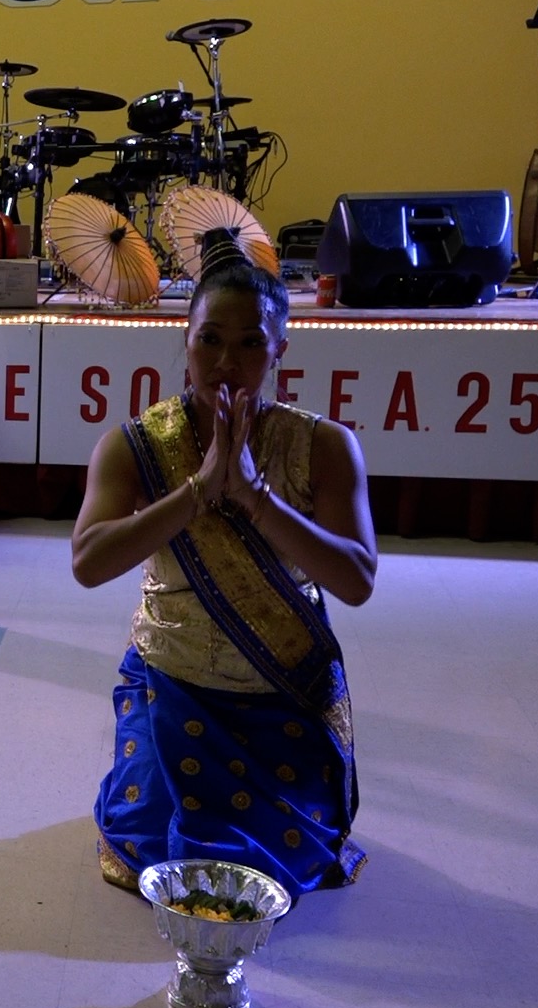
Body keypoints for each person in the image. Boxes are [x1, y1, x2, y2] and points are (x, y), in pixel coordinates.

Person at [71, 252, 378, 899]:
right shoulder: (135, 445)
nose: (225, 363)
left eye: (249, 344)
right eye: (209, 340)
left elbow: (356, 580)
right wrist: (199, 490)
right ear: (184, 340)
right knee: (150, 843)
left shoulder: (323, 446)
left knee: (262, 863)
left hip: (280, 690)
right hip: (172, 682)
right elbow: (88, 562)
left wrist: (256, 497)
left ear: (280, 352)